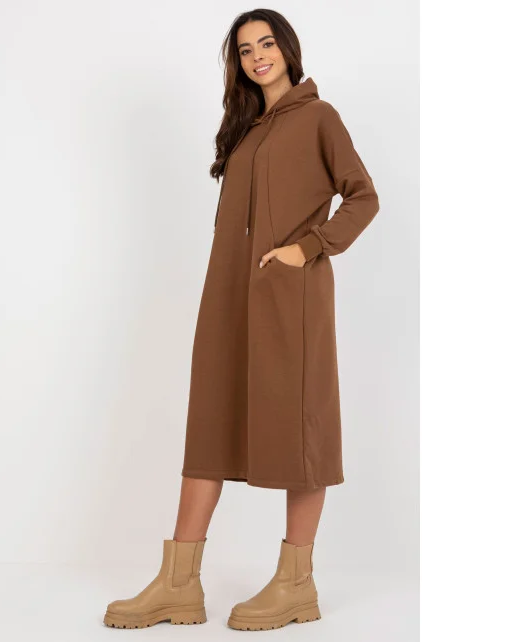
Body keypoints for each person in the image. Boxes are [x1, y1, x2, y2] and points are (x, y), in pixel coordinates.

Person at [103, 8, 379, 631]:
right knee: (210, 421)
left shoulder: (319, 118)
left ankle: (296, 584)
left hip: (291, 299)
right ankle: (178, 583)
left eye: (267, 43)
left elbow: (363, 196)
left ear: (288, 49)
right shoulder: (246, 131)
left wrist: (307, 248)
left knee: (302, 430)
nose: (258, 56)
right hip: (229, 296)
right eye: (246, 49)